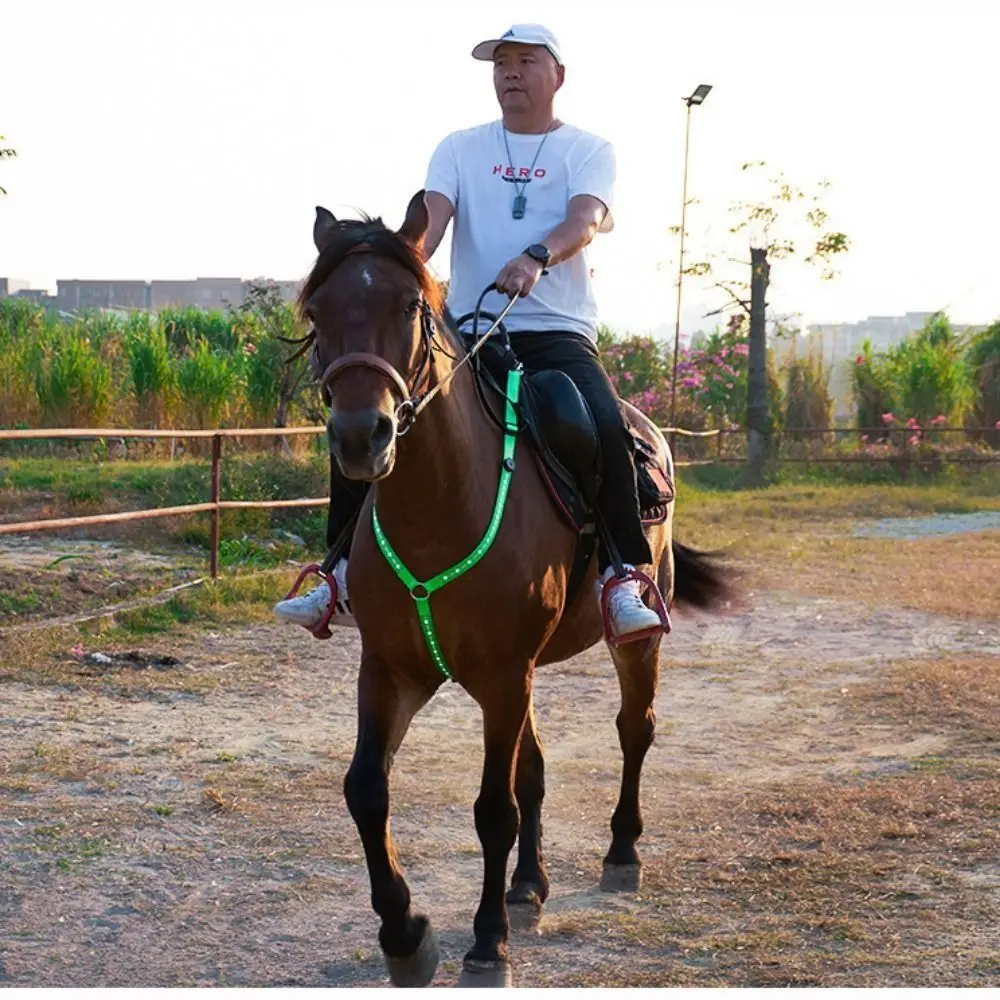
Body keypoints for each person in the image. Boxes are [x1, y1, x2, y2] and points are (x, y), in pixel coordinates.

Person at [274, 23, 661, 639]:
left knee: (599, 421)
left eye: (526, 61)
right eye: (501, 63)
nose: (510, 72)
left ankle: (623, 576)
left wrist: (536, 256)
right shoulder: (459, 148)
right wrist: (396, 262)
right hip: (466, 332)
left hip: (555, 327)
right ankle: (336, 571)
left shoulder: (588, 150)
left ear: (556, 75)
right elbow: (430, 226)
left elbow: (584, 221)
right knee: (371, 412)